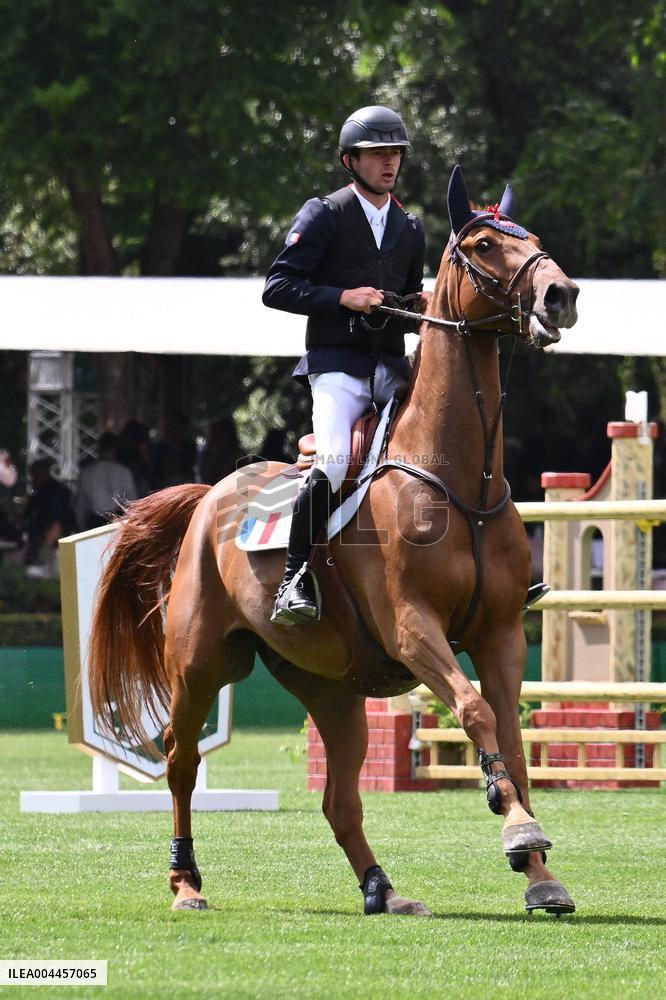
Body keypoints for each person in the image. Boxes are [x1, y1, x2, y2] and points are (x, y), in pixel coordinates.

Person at [263, 105, 431, 625]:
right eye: (378, 154)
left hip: (391, 370)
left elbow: (401, 305)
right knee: (335, 462)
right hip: (338, 367)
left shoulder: (409, 227)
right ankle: (292, 580)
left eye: (395, 153)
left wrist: (419, 311)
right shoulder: (325, 214)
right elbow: (277, 288)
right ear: (349, 160)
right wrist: (343, 298)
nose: (389, 163)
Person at [75, 431, 137, 530]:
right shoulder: (124, 471)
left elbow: (81, 506)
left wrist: (82, 527)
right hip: (117, 522)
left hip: (95, 524)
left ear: (99, 448)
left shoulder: (87, 472)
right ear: (116, 448)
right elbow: (132, 503)